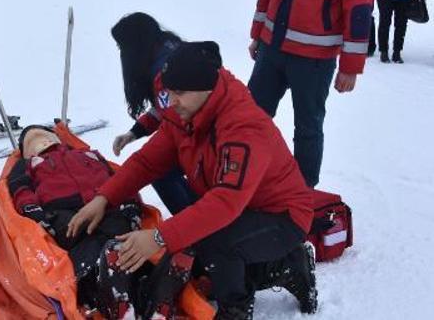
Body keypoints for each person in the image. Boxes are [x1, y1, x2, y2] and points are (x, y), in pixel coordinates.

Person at [68, 42, 317, 320]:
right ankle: (286, 266)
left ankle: (236, 308)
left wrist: (159, 237)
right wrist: (104, 197)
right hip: (242, 209)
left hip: (282, 217)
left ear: (206, 90)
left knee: (214, 241)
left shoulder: (243, 127)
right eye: (169, 92)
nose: (171, 102)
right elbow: (147, 162)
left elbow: (225, 203)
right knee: (195, 254)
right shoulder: (184, 113)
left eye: (179, 93)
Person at [249, 0, 374, 188]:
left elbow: (358, 11)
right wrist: (258, 33)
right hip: (272, 49)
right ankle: (246, 177)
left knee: (307, 128)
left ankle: (303, 195)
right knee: (252, 117)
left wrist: (350, 66)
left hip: (314, 60)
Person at [10, 125, 190, 319]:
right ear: (25, 152)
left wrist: (130, 204)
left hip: (106, 205)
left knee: (121, 239)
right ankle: (116, 291)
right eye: (33, 141)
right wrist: (33, 211)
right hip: (65, 215)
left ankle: (140, 293)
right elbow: (20, 189)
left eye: (46, 136)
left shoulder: (87, 154)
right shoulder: (28, 165)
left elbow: (120, 180)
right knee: (93, 245)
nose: (43, 142)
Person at [110, 13, 197, 215]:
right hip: (205, 134)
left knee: (159, 169)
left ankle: (196, 225)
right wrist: (134, 133)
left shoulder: (164, 72)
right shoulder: (169, 47)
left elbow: (174, 122)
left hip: (204, 140)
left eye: (122, 47)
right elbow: (163, 109)